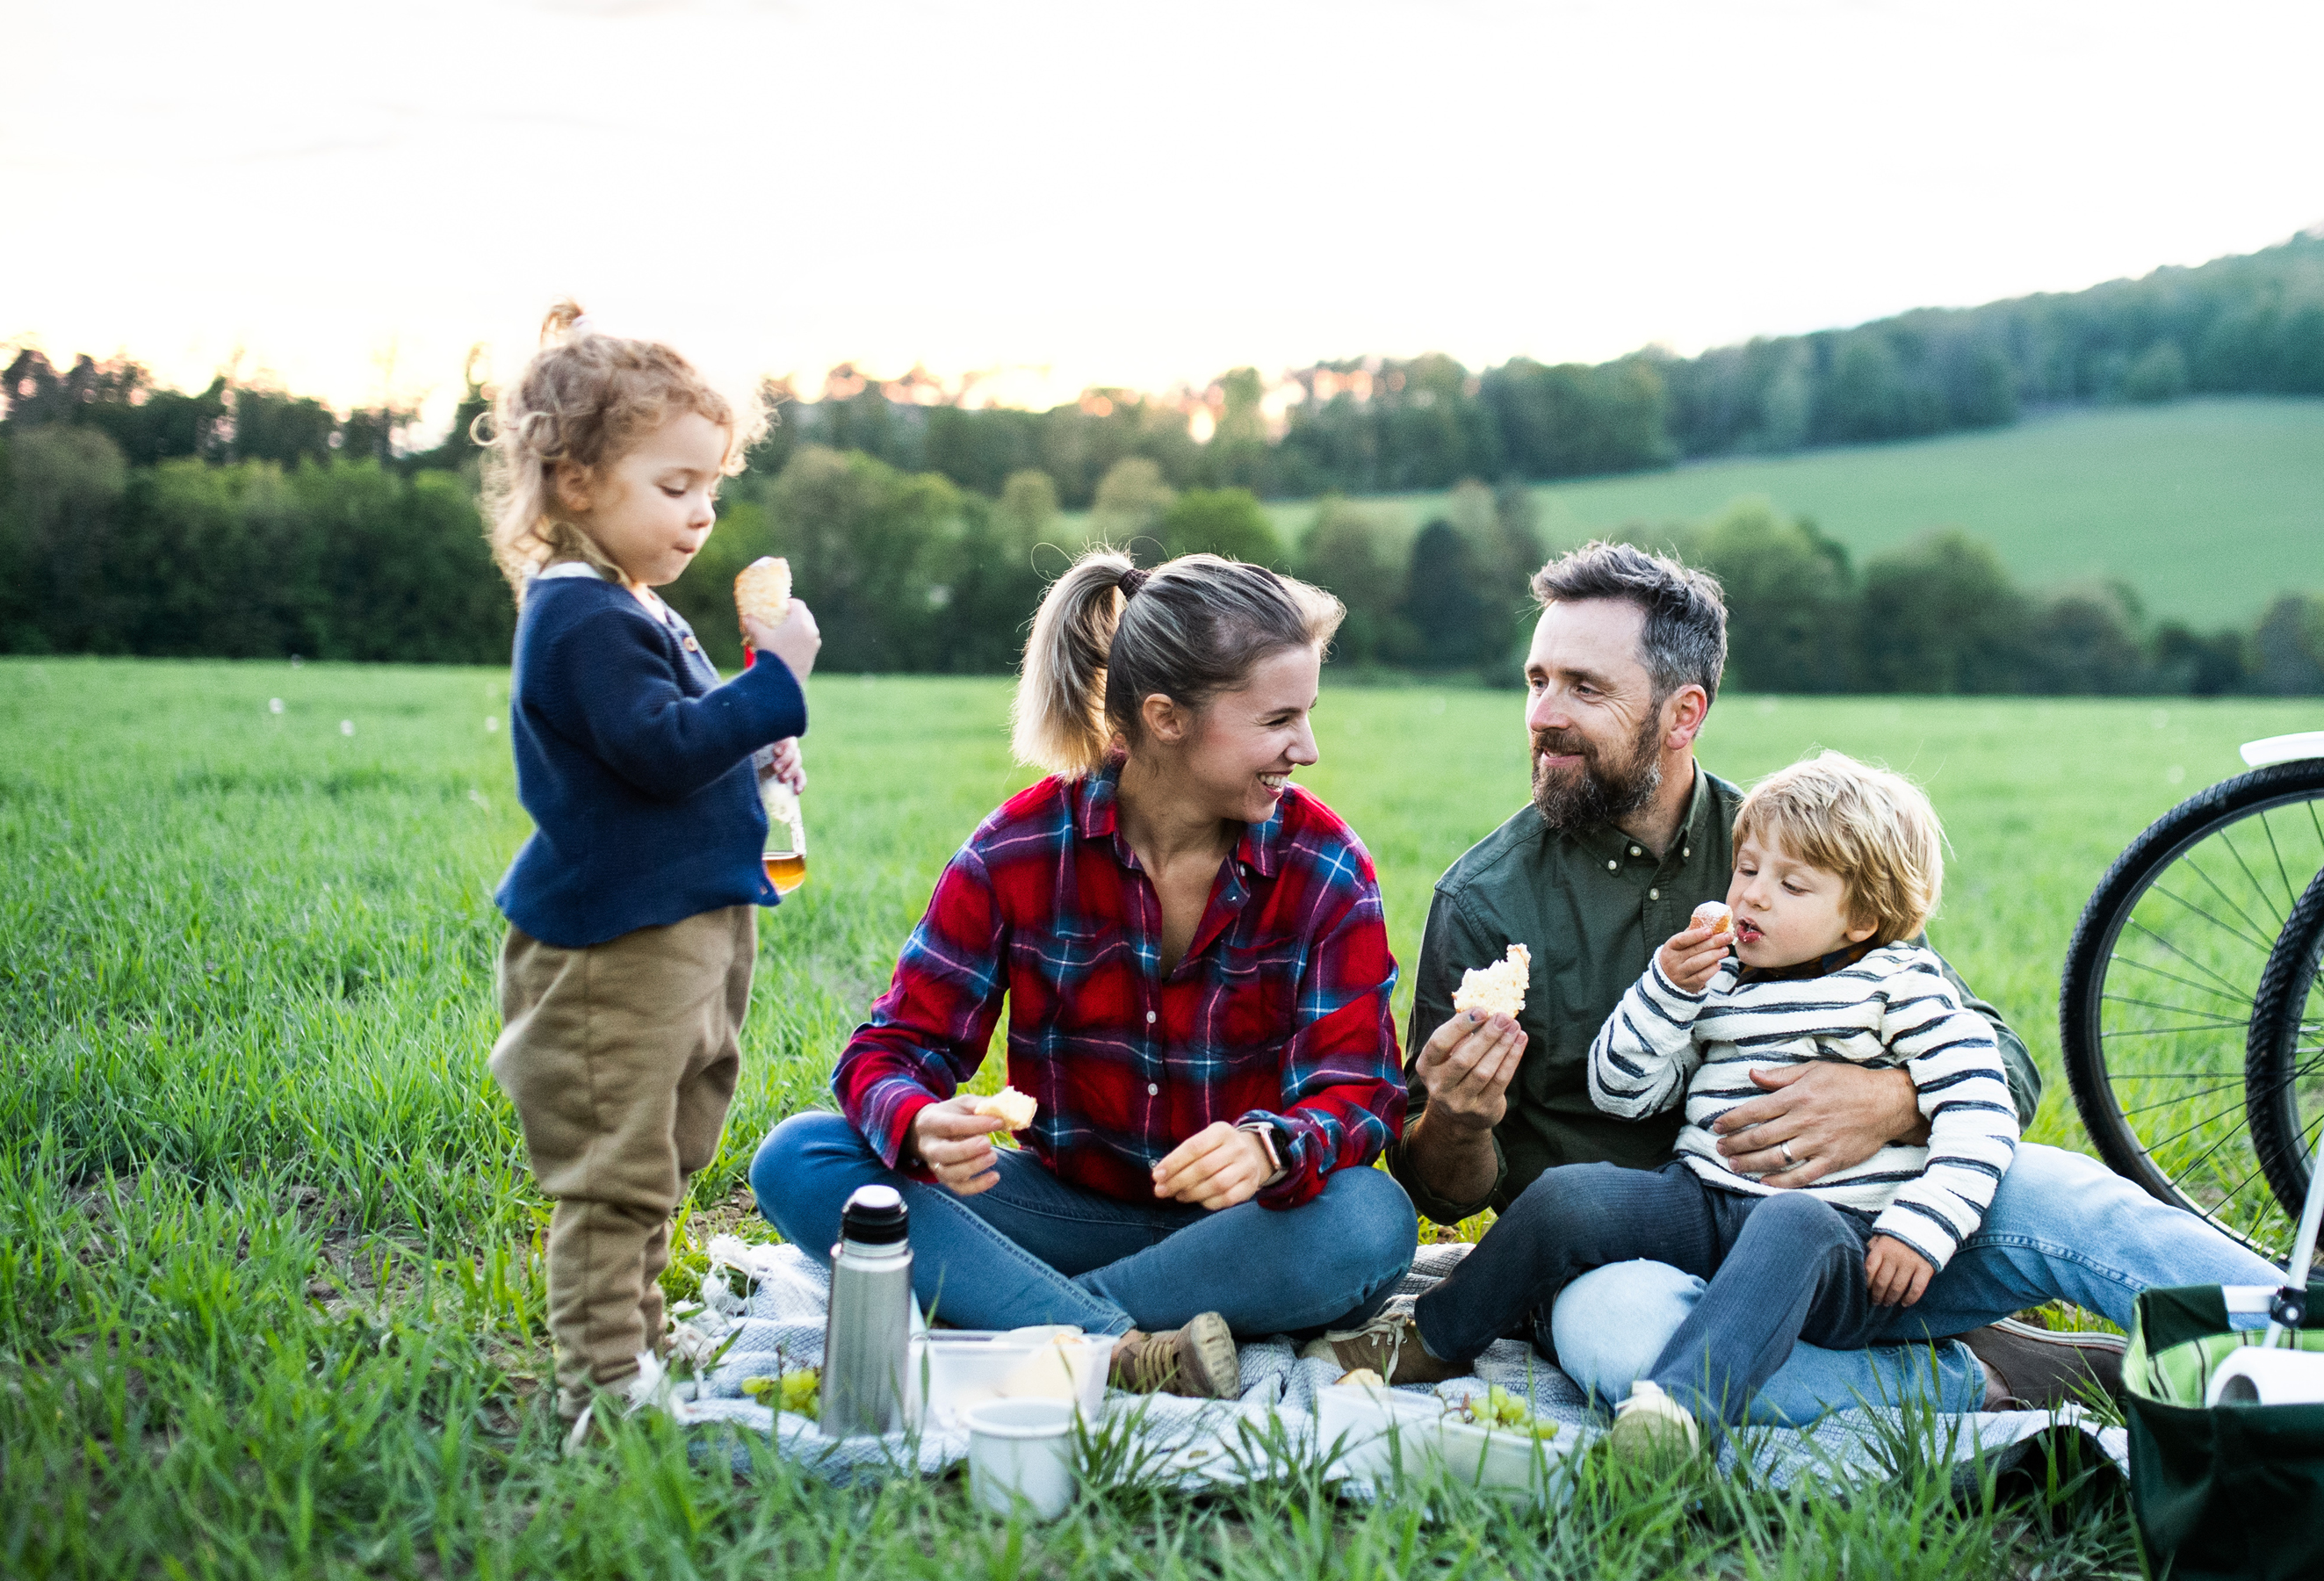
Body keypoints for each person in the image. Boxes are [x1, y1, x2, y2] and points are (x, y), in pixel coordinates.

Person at [1366, 542, 2282, 1423]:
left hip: (1865, 1233)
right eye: (1537, 682)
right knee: (1621, 1342)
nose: (1542, 714)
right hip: (1635, 1252)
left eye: (1584, 688)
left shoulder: (1785, 848)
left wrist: (1890, 1103)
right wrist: (1458, 1116)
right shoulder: (1484, 901)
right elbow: (1442, 1192)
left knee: (2070, 1197)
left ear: (1683, 714)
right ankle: (1978, 1377)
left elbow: (1991, 1054)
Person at [749, 550, 1418, 1400]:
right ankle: (1111, 1346)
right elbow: (892, 1048)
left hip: (1243, 1234)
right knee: (801, 1156)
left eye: (1308, 714)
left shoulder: (1324, 866)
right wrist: (916, 1121)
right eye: (1278, 719)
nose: (1308, 749)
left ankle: (1026, 1330)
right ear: (1167, 718)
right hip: (1055, 1215)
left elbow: (1358, 1089)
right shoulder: (1018, 849)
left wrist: (1268, 1144)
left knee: (1371, 1221)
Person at [1404, 752, 2024, 1457]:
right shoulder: (1724, 976)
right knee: (1569, 1195)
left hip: (1838, 1243)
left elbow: (1983, 1112)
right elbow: (1622, 1091)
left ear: (1863, 919)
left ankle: (1677, 1414)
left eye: (1791, 884)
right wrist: (1666, 989)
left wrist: (1921, 1227)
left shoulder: (1904, 986)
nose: (1752, 896)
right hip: (1707, 1200)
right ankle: (1428, 1338)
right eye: (1748, 869)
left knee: (1792, 1222)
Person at [478, 301, 817, 1441]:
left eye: (711, 487)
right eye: (674, 486)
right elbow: (655, 746)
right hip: (616, 941)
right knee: (615, 1163)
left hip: (688, 920)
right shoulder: (576, 616)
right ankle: (602, 1388)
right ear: (575, 483)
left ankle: (640, 1336)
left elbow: (681, 737)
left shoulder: (629, 606)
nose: (703, 512)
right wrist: (771, 681)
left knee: (675, 1137)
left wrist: (756, 745)